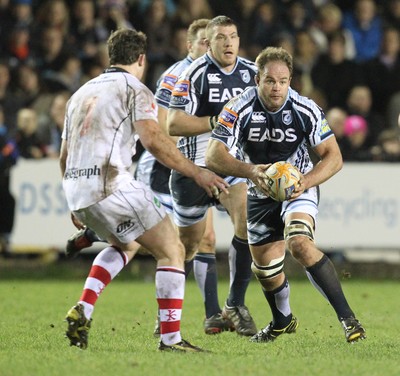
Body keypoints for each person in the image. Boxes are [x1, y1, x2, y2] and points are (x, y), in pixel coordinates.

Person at [60, 28, 229, 352]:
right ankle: (171, 339)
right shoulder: (135, 89)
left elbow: (64, 156)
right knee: (172, 250)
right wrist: (197, 173)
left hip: (78, 191)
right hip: (112, 183)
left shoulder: (79, 93)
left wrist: (73, 201)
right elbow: (153, 140)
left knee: (127, 244)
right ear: (141, 58)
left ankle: (83, 307)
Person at [205, 46, 366, 343]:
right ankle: (282, 320)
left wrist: (305, 182)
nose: (276, 87)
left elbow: (333, 157)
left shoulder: (305, 109)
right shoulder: (238, 108)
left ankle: (349, 320)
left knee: (300, 244)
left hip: (296, 189)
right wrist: (252, 171)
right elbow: (213, 156)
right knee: (265, 270)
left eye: (282, 81)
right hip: (258, 190)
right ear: (257, 80)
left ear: (291, 80)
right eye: (269, 81)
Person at [167, 15, 257, 336]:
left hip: (230, 165)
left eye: (233, 36)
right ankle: (190, 310)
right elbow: (173, 124)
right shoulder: (191, 74)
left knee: (245, 219)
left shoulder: (253, 73)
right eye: (221, 38)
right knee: (192, 244)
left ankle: (234, 304)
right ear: (210, 42)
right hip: (193, 168)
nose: (229, 42)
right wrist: (216, 120)